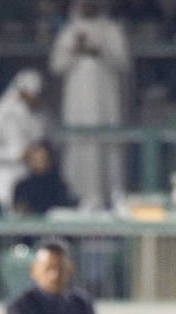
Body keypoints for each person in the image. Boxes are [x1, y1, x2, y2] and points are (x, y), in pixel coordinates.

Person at [49, 0, 129, 211]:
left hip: (106, 103)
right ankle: (79, 196)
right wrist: (75, 50)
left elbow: (123, 63)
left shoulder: (111, 30)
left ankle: (113, 195)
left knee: (107, 146)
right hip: (78, 104)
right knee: (80, 146)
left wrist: (99, 51)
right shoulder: (68, 31)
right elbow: (56, 65)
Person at [0, 68, 47, 211]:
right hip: (6, 179)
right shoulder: (0, 114)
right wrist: (16, 154)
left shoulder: (38, 115)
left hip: (31, 181)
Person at [12, 141, 73, 215]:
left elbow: (63, 211)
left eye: (42, 158)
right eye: (34, 159)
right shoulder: (22, 186)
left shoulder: (58, 186)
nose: (38, 163)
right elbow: (19, 211)